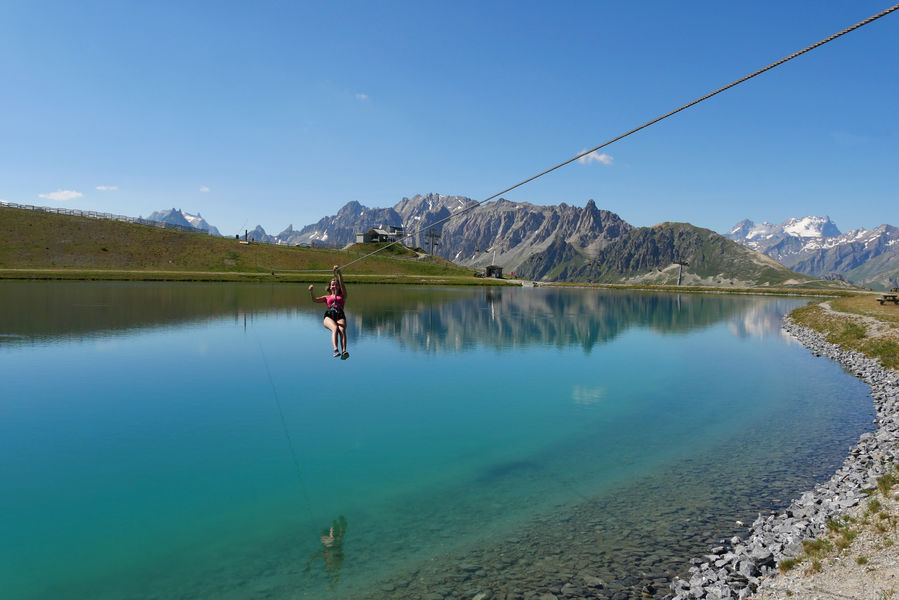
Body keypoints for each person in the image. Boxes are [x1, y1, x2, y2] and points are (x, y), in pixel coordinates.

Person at [309, 266, 349, 359]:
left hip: (340, 315)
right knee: (335, 328)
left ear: (339, 287)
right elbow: (315, 300)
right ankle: (336, 350)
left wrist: (339, 273)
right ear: (330, 287)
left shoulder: (343, 296)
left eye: (336, 285)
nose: (334, 286)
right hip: (329, 316)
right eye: (333, 285)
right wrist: (311, 291)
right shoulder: (327, 297)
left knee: (342, 330)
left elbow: (343, 284)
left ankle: (344, 351)